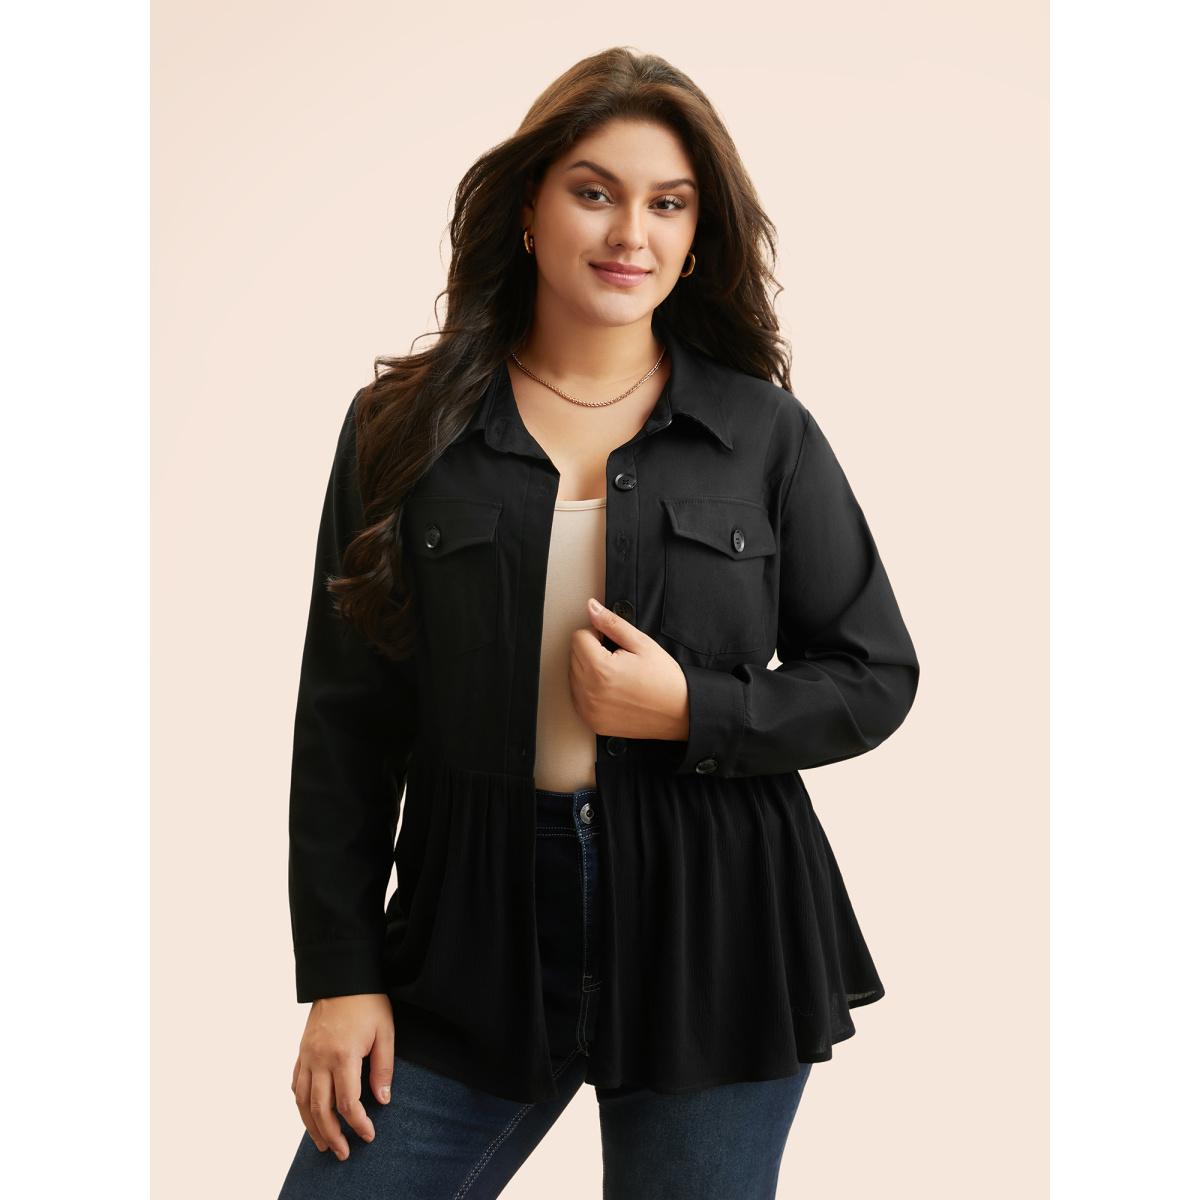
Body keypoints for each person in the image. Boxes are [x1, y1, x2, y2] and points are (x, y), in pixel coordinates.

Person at [278, 46, 920, 1200]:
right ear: (527, 209)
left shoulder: (764, 434)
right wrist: (341, 974)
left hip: (717, 929)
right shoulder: (401, 429)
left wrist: (692, 709)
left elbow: (874, 673)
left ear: (698, 235)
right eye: (595, 191)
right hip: (466, 933)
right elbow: (345, 724)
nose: (632, 232)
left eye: (668, 203)